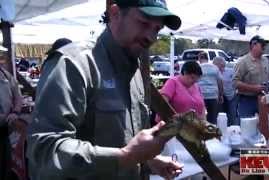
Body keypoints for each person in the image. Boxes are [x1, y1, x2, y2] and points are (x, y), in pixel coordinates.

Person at [26, 0, 183, 180]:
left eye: (157, 28)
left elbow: (124, 140)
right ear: (114, 13)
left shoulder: (135, 71)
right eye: (144, 23)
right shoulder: (74, 65)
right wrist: (127, 156)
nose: (151, 37)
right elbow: (45, 150)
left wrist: (148, 160)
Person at [0, 45, 24, 179]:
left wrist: (15, 111)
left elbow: (18, 96)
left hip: (5, 131)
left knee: (6, 166)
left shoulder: (5, 74)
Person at [233, 35, 269, 118]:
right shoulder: (243, 61)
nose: (264, 47)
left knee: (262, 127)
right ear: (254, 45)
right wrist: (253, 88)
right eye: (262, 44)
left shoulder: (265, 60)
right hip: (247, 100)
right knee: (247, 126)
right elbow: (235, 83)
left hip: (263, 99)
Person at [197, 52, 223, 124]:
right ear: (207, 58)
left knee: (201, 118)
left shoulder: (198, 67)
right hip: (213, 95)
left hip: (201, 95)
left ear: (199, 58)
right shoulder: (215, 67)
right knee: (212, 118)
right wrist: (221, 95)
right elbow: (220, 82)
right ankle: (212, 133)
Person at [214, 57, 239, 125]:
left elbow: (236, 81)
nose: (222, 66)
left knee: (232, 114)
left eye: (222, 64)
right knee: (222, 116)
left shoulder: (230, 71)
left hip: (232, 96)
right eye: (220, 64)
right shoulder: (215, 73)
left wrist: (235, 91)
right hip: (221, 97)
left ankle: (234, 129)